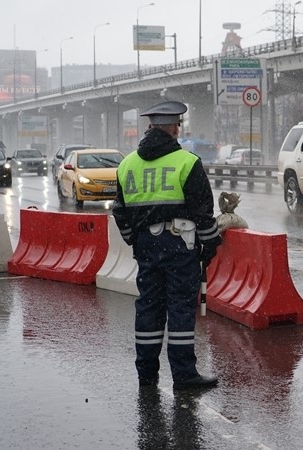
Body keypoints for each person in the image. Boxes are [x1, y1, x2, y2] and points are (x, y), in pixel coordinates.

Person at [113, 100, 222, 390]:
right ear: (175, 128)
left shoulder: (127, 165)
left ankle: (146, 374)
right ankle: (184, 375)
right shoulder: (187, 162)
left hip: (147, 247)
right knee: (180, 308)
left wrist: (135, 240)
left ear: (150, 127)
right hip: (180, 246)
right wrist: (210, 243)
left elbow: (120, 211)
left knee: (149, 308)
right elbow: (203, 211)